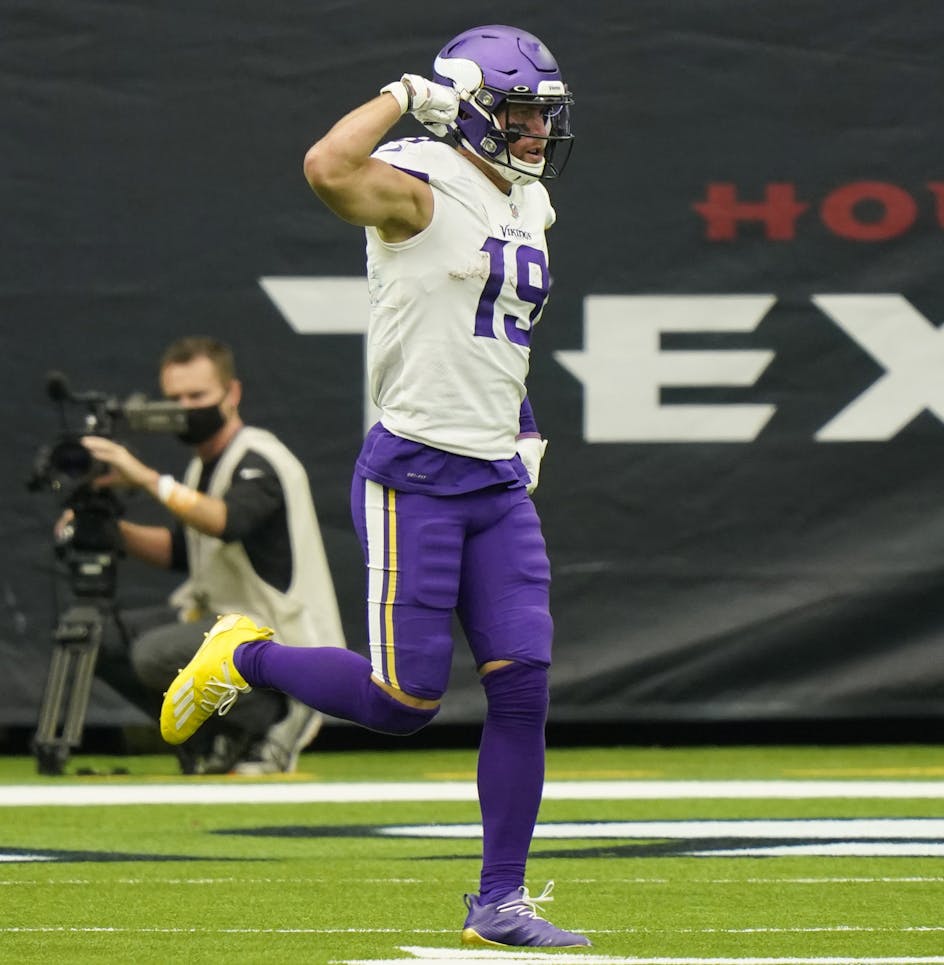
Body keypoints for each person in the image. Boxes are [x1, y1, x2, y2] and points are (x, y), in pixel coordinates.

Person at [156, 25, 587, 948]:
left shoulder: (529, 202)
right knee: (403, 701)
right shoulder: (418, 189)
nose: (535, 135)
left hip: (497, 480)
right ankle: (243, 655)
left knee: (523, 690)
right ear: (466, 106)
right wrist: (405, 92)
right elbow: (324, 164)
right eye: (517, 114)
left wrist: (521, 421)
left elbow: (492, 335)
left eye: (542, 118)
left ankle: (499, 900)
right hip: (419, 475)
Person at [76, 336, 344, 775]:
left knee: (153, 654)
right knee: (98, 638)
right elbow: (187, 551)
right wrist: (109, 530)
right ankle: (215, 735)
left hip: (280, 637)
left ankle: (268, 716)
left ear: (231, 394)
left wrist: (146, 480)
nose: (186, 407)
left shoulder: (261, 457)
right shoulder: (200, 468)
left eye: (197, 396)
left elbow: (225, 521)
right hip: (224, 622)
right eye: (175, 399)